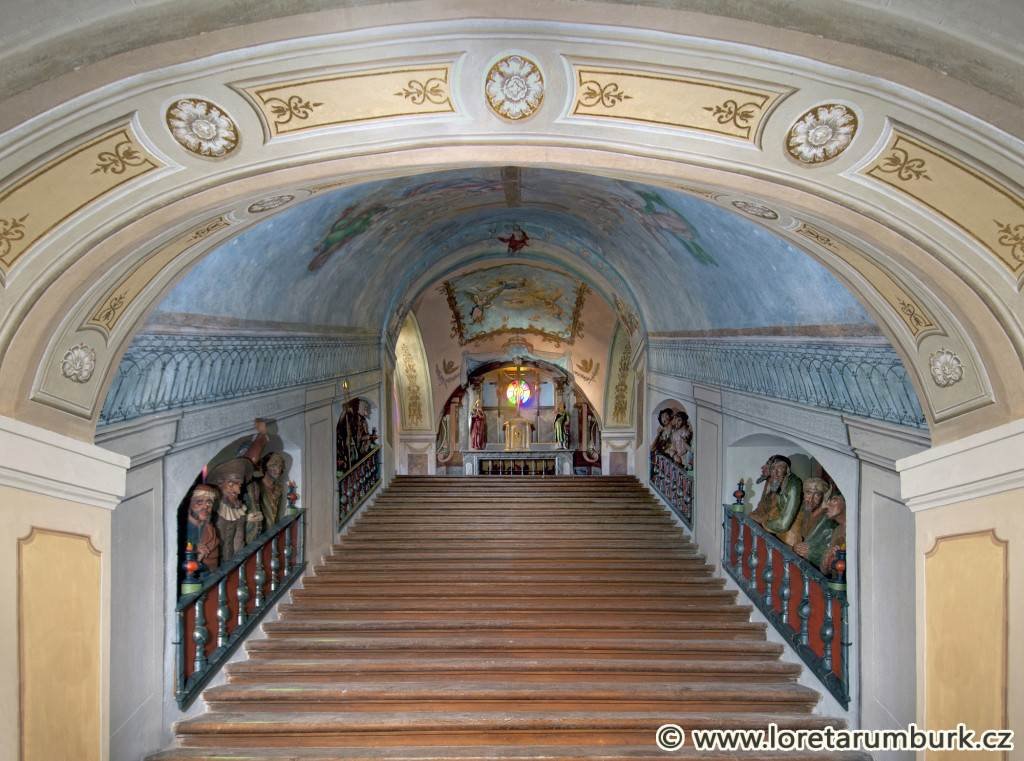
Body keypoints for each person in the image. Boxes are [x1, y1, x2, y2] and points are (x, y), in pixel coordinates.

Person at [208, 457, 258, 561]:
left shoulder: (238, 509)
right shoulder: (212, 507)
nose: (238, 491)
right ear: (220, 483)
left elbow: (239, 542)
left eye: (239, 485)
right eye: (231, 484)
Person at [750, 455, 803, 540]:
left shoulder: (794, 484)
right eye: (773, 468)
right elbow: (762, 506)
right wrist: (754, 516)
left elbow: (783, 524)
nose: (776, 473)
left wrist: (763, 522)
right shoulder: (773, 481)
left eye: (780, 467)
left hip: (791, 525)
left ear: (787, 470)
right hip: (775, 522)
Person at [794, 492, 846, 574]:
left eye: (834, 500)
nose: (827, 505)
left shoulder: (853, 529)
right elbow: (825, 569)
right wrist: (828, 559)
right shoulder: (838, 530)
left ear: (846, 501)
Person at [779, 477, 829, 547]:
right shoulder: (794, 506)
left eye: (817, 495)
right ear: (803, 493)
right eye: (808, 493)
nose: (811, 500)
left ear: (823, 497)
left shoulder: (825, 516)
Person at [185, 483, 220, 573]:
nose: (205, 507)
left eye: (209, 503)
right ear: (189, 504)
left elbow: (213, 557)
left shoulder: (209, 529)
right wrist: (194, 549)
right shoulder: (182, 528)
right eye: (200, 502)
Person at [257, 452, 287, 528]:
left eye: (280, 466)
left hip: (273, 530)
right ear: (265, 467)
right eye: (273, 465)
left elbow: (277, 512)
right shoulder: (256, 486)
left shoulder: (279, 488)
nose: (278, 470)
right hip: (258, 529)